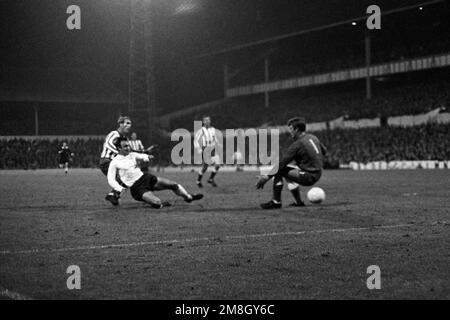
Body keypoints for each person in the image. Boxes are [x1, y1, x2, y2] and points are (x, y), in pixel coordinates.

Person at [107, 137, 203, 207]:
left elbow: (141, 156)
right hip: (137, 188)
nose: (128, 148)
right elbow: (110, 178)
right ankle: (161, 204)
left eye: (128, 145)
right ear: (119, 148)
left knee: (174, 185)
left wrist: (147, 157)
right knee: (156, 203)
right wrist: (119, 188)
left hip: (146, 178)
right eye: (125, 146)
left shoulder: (131, 154)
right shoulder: (115, 162)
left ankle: (189, 197)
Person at [256, 117, 327, 209]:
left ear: (296, 129)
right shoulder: (313, 137)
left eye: (291, 129)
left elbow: (282, 163)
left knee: (279, 170)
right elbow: (324, 151)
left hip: (308, 176)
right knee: (288, 173)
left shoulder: (298, 144)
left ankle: (276, 202)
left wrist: (266, 177)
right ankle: (298, 202)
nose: (290, 132)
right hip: (318, 172)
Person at [100, 116, 132, 205]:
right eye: (126, 123)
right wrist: (119, 152)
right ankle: (113, 195)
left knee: (128, 176)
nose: (129, 126)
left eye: (130, 124)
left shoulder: (124, 138)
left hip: (113, 163)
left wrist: (143, 152)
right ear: (121, 124)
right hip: (106, 161)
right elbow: (108, 144)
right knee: (125, 177)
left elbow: (130, 150)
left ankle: (113, 196)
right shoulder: (114, 134)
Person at [194, 116, 221, 187]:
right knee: (205, 167)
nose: (207, 121)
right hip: (205, 149)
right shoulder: (201, 130)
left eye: (208, 120)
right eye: (206, 120)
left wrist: (218, 143)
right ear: (203, 122)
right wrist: (198, 149)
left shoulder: (213, 129)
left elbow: (214, 138)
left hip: (212, 149)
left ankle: (211, 179)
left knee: (218, 165)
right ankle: (198, 181)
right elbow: (196, 140)